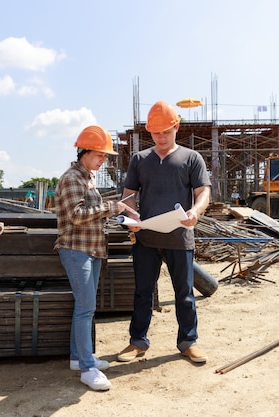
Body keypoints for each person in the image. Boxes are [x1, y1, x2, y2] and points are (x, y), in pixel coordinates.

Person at [117, 100, 212, 364]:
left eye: (166, 132)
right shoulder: (139, 160)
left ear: (176, 127)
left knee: (184, 293)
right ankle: (138, 341)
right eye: (156, 132)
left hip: (180, 238)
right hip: (146, 239)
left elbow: (203, 191)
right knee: (143, 292)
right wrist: (132, 216)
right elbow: (128, 196)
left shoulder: (191, 158)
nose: (161, 137)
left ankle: (188, 342)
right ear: (150, 132)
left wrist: (196, 212)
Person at [54, 125, 135, 391]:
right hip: (77, 249)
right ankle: (87, 369)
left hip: (91, 248)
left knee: (85, 307)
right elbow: (76, 215)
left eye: (104, 155)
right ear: (84, 152)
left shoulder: (86, 177)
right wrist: (112, 207)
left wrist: (115, 212)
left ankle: (79, 358)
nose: (103, 160)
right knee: (85, 308)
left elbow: (88, 210)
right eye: (99, 155)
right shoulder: (71, 178)